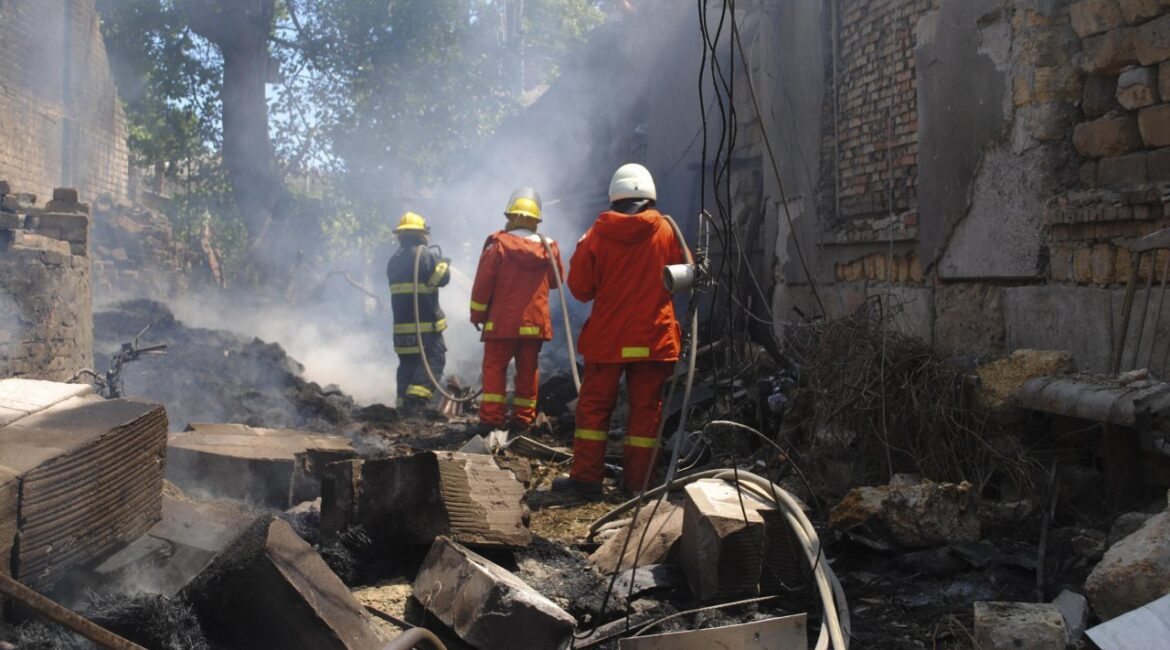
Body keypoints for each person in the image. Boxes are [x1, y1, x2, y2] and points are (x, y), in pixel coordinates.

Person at [554, 164, 684, 496]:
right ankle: (639, 486)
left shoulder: (596, 234)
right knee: (646, 413)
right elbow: (683, 278)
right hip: (653, 337)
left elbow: (580, 288)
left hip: (608, 339)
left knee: (595, 409)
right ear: (650, 196)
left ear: (614, 197)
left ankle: (586, 481)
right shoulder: (668, 231)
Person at [469, 188, 565, 433]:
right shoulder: (550, 248)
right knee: (528, 371)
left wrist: (477, 315)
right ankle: (522, 420)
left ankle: (491, 421)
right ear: (536, 221)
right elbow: (556, 282)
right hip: (534, 324)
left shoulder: (498, 245)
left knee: (495, 369)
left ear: (511, 217)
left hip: (502, 324)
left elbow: (482, 285)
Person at [386, 211, 451, 414]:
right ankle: (416, 403)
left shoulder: (394, 260)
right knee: (434, 361)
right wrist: (443, 264)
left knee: (408, 365)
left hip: (402, 330)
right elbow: (440, 280)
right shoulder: (424, 255)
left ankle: (402, 406)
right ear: (421, 233)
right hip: (425, 328)